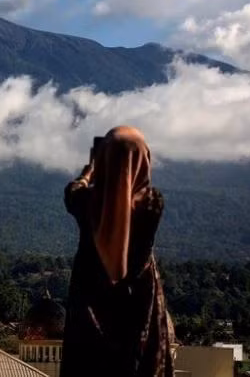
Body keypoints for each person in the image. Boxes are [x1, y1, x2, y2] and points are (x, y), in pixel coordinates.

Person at [60, 126, 175, 377]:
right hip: (138, 305)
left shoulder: (87, 203)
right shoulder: (152, 204)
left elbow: (71, 193)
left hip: (91, 307)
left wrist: (88, 174)